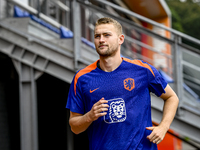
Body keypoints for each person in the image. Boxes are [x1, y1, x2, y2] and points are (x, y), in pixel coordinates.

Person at [66, 17, 179, 150]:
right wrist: (89, 116)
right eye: (97, 36)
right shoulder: (81, 78)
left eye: (107, 35)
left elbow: (172, 97)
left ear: (121, 39)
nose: (101, 40)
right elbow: (74, 126)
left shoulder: (142, 70)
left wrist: (163, 127)